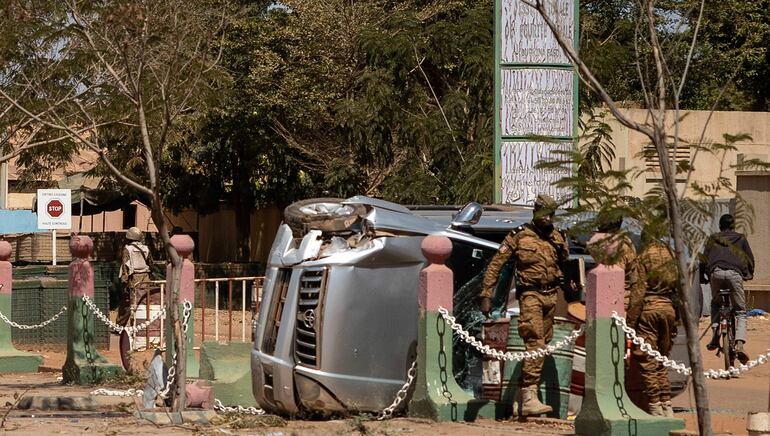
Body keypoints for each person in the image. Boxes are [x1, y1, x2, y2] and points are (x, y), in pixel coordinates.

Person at [479, 194, 571, 417]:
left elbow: (567, 267)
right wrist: (486, 294)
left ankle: (520, 400)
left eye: (551, 214)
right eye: (544, 214)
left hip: (552, 296)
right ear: (535, 212)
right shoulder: (518, 236)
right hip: (530, 295)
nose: (547, 219)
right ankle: (530, 398)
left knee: (543, 343)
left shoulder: (558, 237)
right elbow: (496, 265)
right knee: (535, 343)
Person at [631, 228, 679, 417]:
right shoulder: (670, 254)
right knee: (662, 358)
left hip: (650, 308)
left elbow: (638, 292)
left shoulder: (643, 256)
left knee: (648, 358)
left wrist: (630, 323)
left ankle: (654, 405)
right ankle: (666, 404)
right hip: (668, 309)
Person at [701, 214, 754, 363]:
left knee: (716, 304)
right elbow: (750, 259)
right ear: (733, 226)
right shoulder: (741, 238)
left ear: (720, 225)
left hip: (716, 273)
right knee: (740, 312)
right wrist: (749, 274)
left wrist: (702, 277)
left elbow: (703, 259)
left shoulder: (713, 238)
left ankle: (715, 336)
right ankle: (739, 344)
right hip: (734, 274)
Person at [585, 214, 641, 324]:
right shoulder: (614, 243)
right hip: (609, 298)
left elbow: (616, 278)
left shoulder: (619, 246)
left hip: (619, 300)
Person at [117, 226, 152, 327]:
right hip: (145, 277)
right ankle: (142, 324)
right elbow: (150, 263)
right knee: (144, 301)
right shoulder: (146, 249)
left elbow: (125, 266)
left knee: (131, 302)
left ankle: (128, 325)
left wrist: (124, 281)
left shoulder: (127, 249)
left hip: (133, 277)